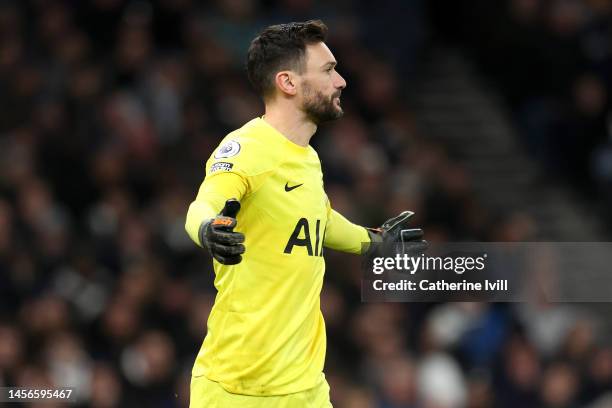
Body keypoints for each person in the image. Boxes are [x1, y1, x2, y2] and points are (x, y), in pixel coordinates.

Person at [185, 19, 425, 407]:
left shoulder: (308, 159)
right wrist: (208, 229)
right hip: (237, 389)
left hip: (305, 388)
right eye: (329, 70)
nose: (341, 81)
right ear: (288, 83)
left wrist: (374, 242)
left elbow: (319, 218)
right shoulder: (246, 149)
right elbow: (203, 205)